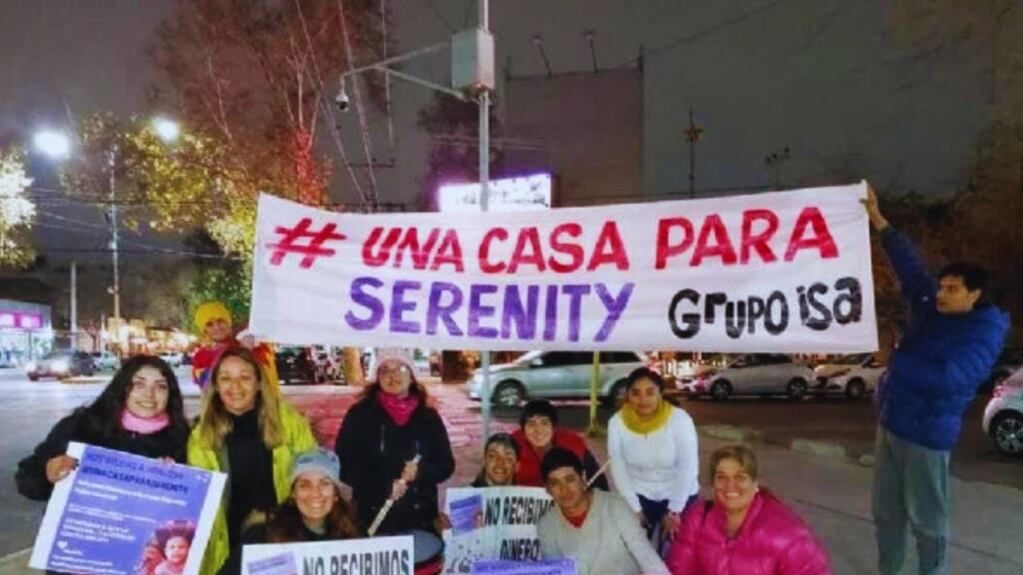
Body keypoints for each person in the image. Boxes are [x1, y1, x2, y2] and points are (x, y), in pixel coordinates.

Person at [863, 185, 1009, 575]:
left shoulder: (984, 332)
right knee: (885, 513)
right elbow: (912, 271)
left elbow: (949, 379)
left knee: (928, 520)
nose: (941, 293)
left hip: (925, 437)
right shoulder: (935, 308)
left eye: (952, 289)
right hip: (892, 424)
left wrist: (895, 362)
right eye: (942, 286)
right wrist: (880, 223)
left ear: (974, 295)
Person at [187, 346, 317, 575]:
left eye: (244, 377)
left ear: (258, 383)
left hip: (281, 538)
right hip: (226, 544)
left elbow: (313, 477)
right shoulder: (201, 435)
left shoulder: (290, 422)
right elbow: (194, 499)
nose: (235, 386)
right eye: (225, 378)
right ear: (215, 385)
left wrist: (273, 517)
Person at [16, 355, 189, 501]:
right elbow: (27, 477)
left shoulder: (182, 438)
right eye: (138, 384)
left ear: (170, 395)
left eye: (160, 386)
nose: (149, 394)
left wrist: (175, 484)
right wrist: (47, 475)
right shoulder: (81, 426)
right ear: (122, 387)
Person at [334, 355, 455, 536]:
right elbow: (344, 465)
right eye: (385, 369)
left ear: (412, 376)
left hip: (420, 521)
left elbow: (446, 465)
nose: (392, 375)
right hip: (373, 520)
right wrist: (382, 486)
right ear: (377, 377)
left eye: (400, 368)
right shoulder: (360, 415)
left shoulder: (428, 417)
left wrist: (420, 471)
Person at [666, 445, 829, 574]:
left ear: (755, 484)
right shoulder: (699, 517)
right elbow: (680, 567)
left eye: (740, 477)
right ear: (713, 483)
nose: (730, 485)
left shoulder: (788, 534)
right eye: (721, 477)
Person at [219, 448, 360, 575]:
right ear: (293, 493)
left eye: (325, 484)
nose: (315, 493)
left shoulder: (354, 537)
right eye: (304, 485)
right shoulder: (262, 537)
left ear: (335, 494)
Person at [537, 447, 668, 575]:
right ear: (547, 489)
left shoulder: (615, 506)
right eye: (555, 483)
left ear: (583, 477)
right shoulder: (547, 525)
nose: (564, 490)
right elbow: (556, 570)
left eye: (570, 480)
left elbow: (645, 554)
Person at [608, 367, 699, 547]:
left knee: (676, 552)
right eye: (636, 393)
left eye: (650, 392)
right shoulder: (617, 422)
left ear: (660, 394)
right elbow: (618, 467)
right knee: (636, 551)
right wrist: (635, 508)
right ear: (627, 395)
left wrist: (675, 510)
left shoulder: (679, 419)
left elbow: (688, 466)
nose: (643, 400)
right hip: (639, 494)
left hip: (679, 493)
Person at [512, 400, 608, 490]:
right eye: (531, 424)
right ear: (523, 430)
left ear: (554, 427)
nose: (538, 430)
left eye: (544, 423)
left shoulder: (572, 445)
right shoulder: (511, 446)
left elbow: (598, 482)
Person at [190, 301, 278, 392]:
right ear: (204, 330)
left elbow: (263, 380)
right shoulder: (200, 357)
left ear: (229, 322)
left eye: (220, 321)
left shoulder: (252, 345)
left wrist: (250, 353)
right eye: (209, 324)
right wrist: (243, 353)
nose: (217, 327)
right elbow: (209, 384)